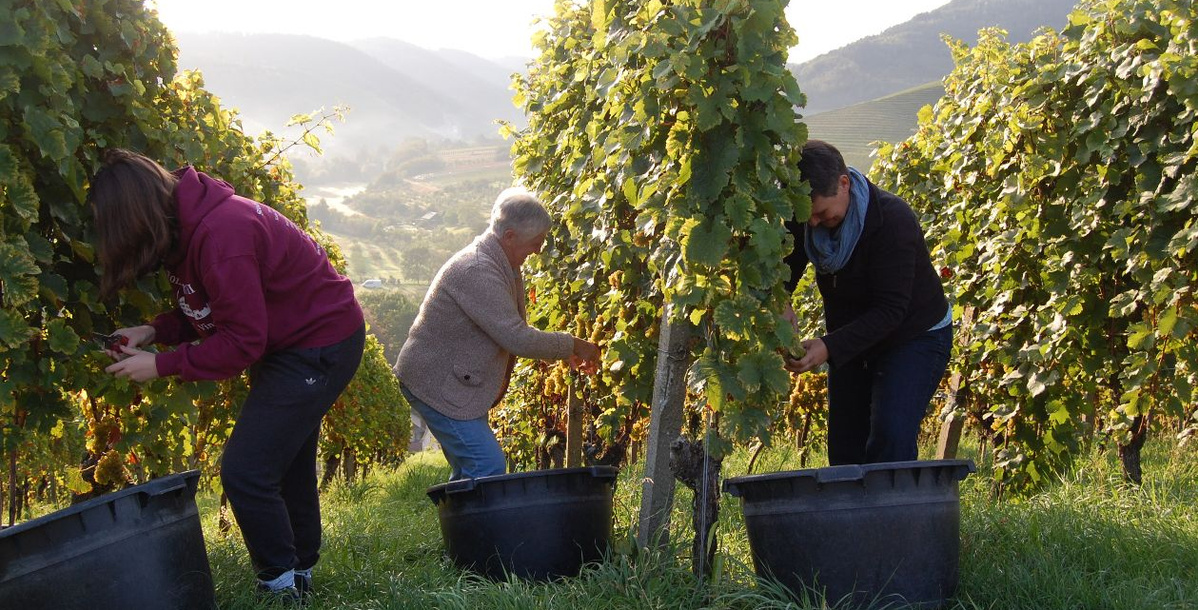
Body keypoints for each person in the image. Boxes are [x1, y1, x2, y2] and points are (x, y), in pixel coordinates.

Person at [89, 149, 366, 602]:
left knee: (247, 470)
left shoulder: (221, 236)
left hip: (320, 343)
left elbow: (242, 342)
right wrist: (153, 331)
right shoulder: (187, 229)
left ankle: (279, 587)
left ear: (135, 217)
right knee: (284, 461)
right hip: (291, 340)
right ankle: (298, 575)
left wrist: (160, 364)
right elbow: (209, 306)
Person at [394, 187, 601, 480]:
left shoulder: (500, 261)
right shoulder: (478, 270)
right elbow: (517, 337)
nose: (538, 250)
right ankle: (479, 513)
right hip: (435, 381)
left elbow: (511, 329)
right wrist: (573, 345)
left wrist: (560, 351)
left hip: (455, 381)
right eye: (536, 242)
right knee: (486, 465)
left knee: (471, 471)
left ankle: (464, 512)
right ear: (510, 236)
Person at [782, 139, 952, 465]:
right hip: (855, 337)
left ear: (844, 183)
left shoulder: (892, 221)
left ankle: (897, 501)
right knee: (845, 450)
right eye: (807, 216)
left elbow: (891, 311)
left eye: (821, 214)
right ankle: (853, 503)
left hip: (913, 335)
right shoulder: (807, 215)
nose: (813, 223)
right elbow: (785, 270)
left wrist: (828, 346)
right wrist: (782, 302)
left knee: (890, 438)